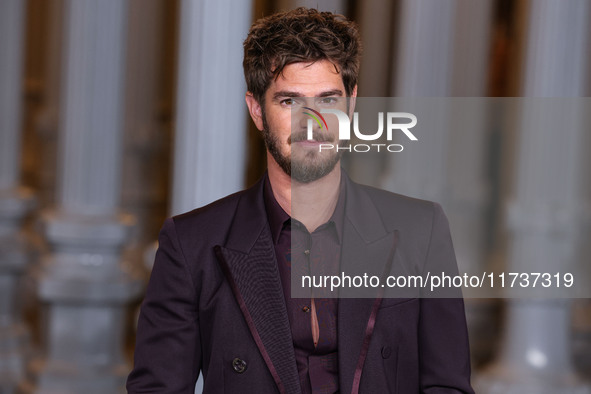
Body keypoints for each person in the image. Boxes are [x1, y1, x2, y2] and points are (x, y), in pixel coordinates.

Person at [127, 7, 474, 394]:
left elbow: (448, 386)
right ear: (257, 110)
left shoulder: (420, 230)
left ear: (351, 106)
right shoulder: (190, 243)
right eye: (290, 101)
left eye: (327, 100)